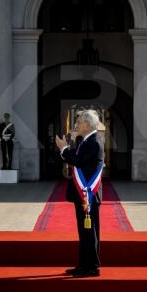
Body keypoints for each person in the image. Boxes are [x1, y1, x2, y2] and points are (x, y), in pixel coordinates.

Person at [55, 109, 104, 277]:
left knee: (90, 232)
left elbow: (77, 160)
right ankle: (83, 264)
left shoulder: (95, 142)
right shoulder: (84, 140)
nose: (77, 124)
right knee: (83, 232)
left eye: (80, 122)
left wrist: (63, 148)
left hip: (88, 194)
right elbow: (76, 158)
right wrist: (68, 148)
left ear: (88, 124)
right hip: (82, 194)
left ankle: (92, 267)